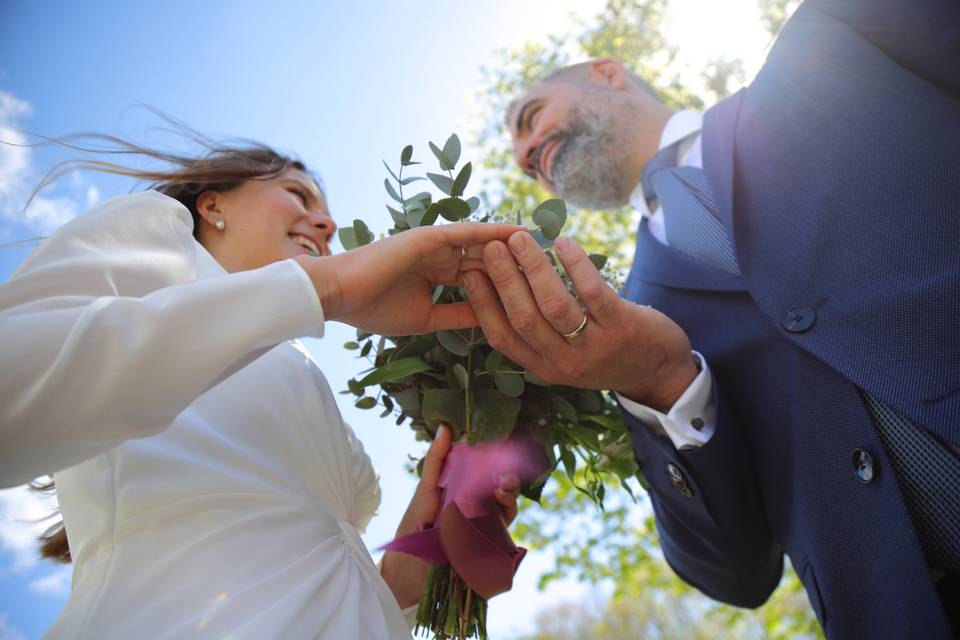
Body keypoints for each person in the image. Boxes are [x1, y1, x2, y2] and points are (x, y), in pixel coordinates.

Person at [462, 1, 960, 637]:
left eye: (531, 119)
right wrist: (660, 386)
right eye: (524, 161)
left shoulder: (839, 44)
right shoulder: (618, 332)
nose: (529, 153)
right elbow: (736, 575)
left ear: (608, 73)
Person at [0, 135, 522, 638]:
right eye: (297, 193)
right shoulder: (154, 240)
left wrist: (426, 545)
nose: (327, 222)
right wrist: (329, 287)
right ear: (212, 206)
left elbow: (332, 585)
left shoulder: (301, 368)